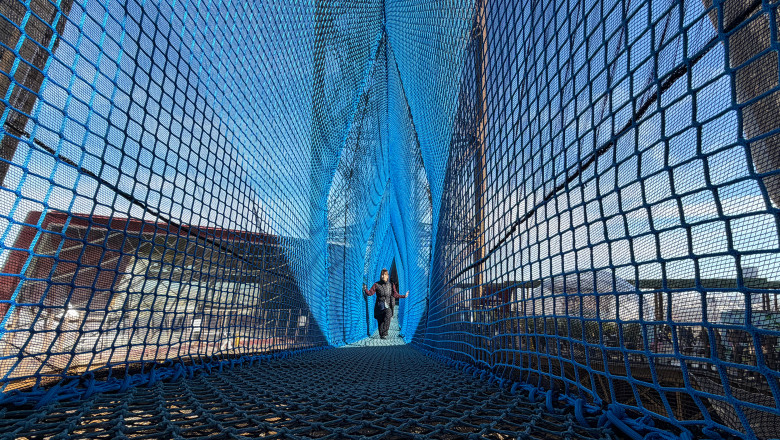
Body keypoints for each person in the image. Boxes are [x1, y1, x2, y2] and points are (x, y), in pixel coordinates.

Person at [363, 268, 408, 339]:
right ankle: (382, 334)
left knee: (389, 313)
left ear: (387, 276)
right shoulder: (376, 284)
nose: (383, 276)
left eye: (385, 275)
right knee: (380, 321)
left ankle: (385, 332)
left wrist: (404, 296)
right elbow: (370, 293)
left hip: (387, 306)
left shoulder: (391, 285)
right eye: (382, 275)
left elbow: (395, 294)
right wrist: (365, 289)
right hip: (379, 306)